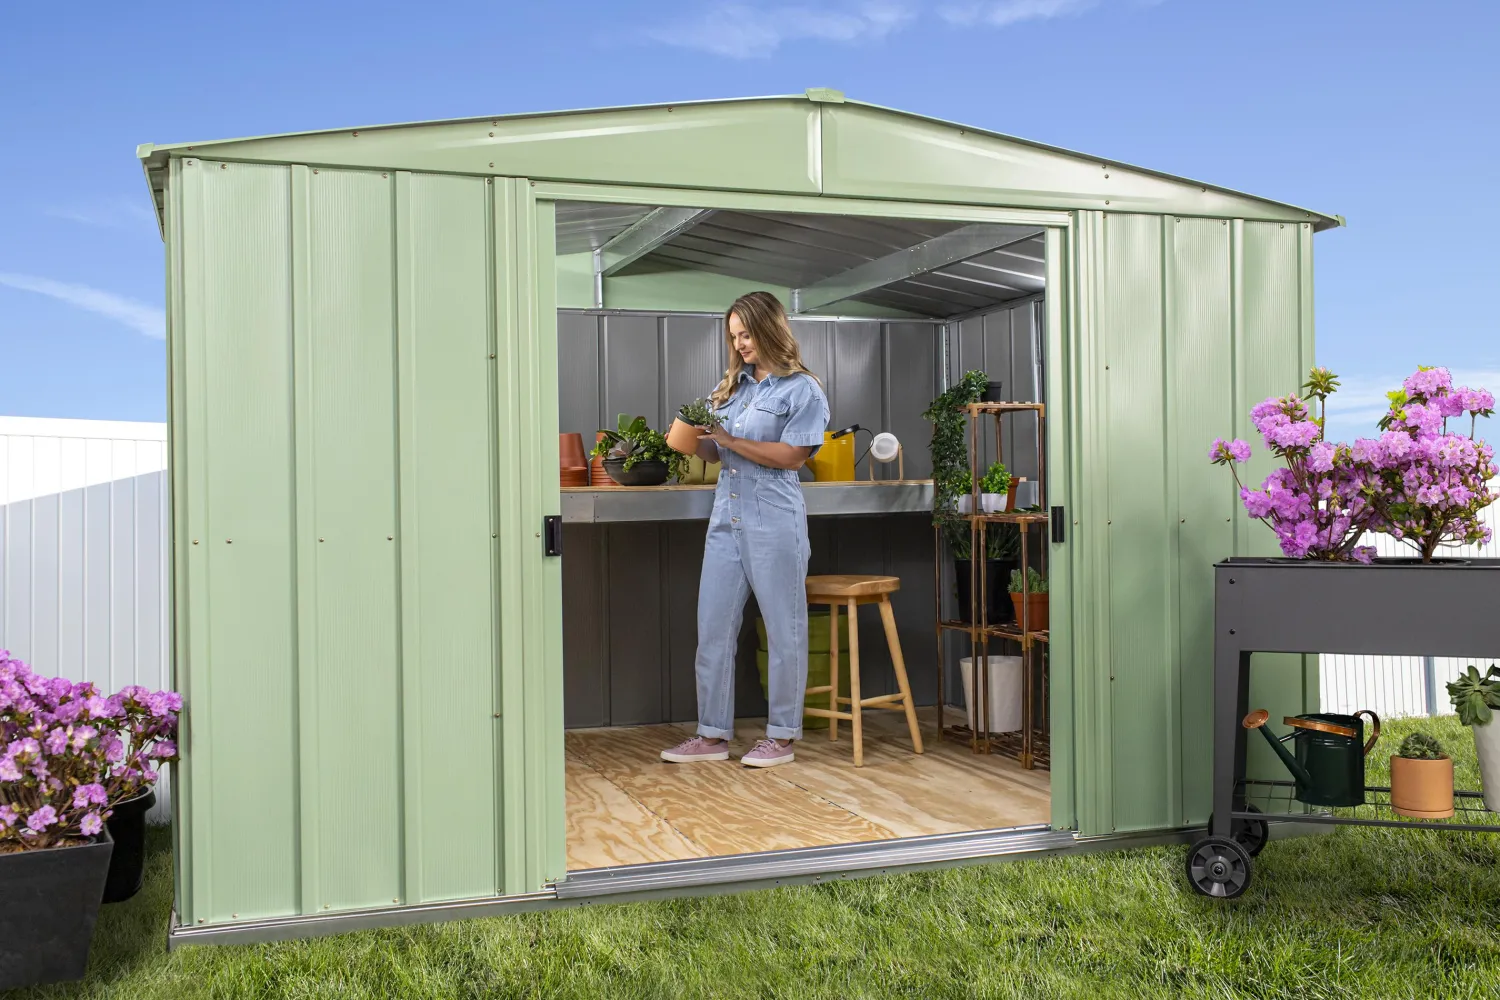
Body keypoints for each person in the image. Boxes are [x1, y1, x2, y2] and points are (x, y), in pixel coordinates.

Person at [661, 291, 830, 768]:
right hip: (726, 520)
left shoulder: (803, 390)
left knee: (783, 629)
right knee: (712, 627)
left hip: (774, 520)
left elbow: (793, 456)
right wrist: (698, 439)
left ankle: (781, 737)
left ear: (770, 328)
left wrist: (731, 439)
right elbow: (719, 454)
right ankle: (712, 736)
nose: (740, 344)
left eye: (747, 333)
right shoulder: (732, 388)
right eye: (734, 336)